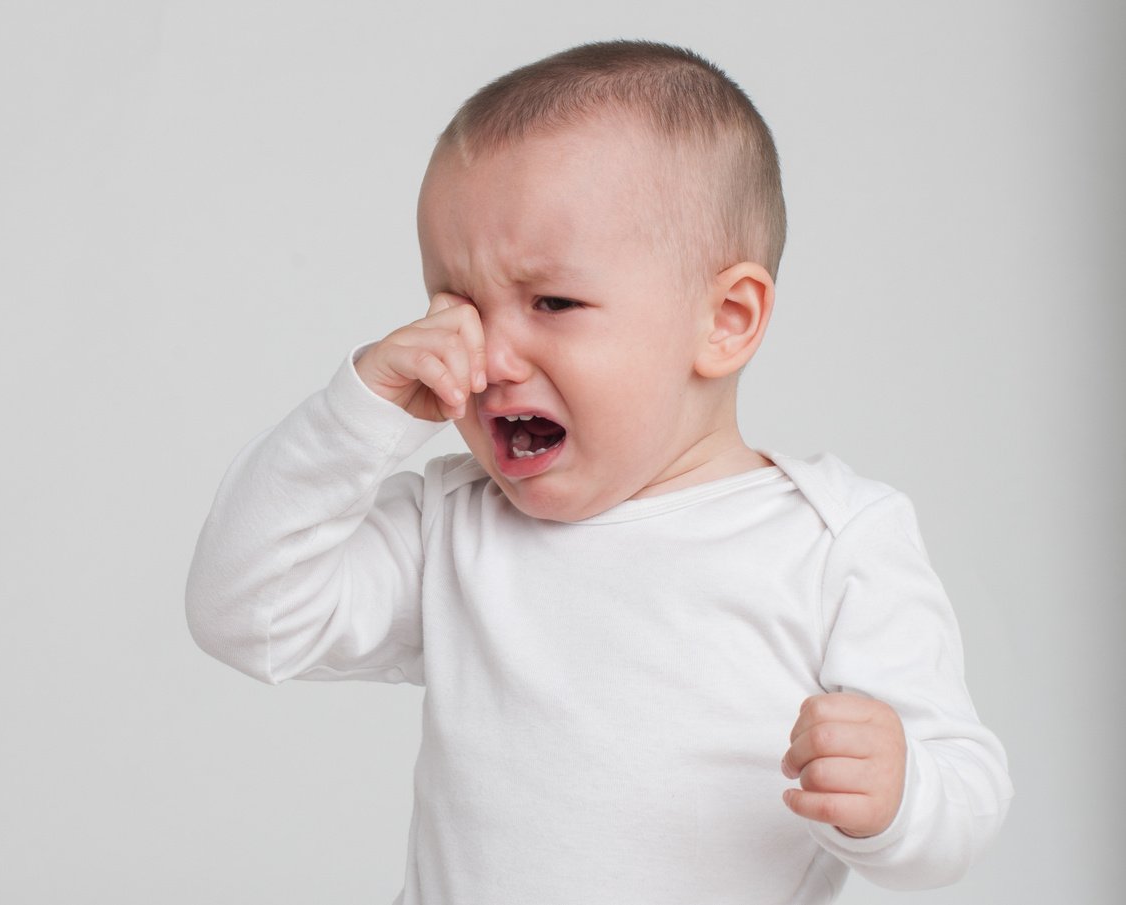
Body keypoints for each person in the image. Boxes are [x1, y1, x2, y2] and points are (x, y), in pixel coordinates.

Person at [185, 39, 1013, 904]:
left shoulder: (830, 541)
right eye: (455, 304)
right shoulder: (454, 527)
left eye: (551, 303)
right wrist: (356, 412)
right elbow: (245, 611)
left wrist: (898, 795)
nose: (492, 354)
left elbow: (961, 797)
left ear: (725, 319)